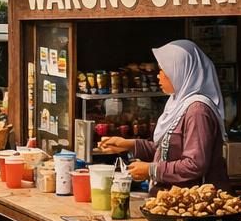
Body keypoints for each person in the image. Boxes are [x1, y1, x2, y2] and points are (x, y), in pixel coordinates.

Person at [97, 39, 230, 189]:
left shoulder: (198, 111)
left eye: (163, 71)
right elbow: (168, 150)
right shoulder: (178, 105)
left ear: (180, 72)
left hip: (192, 204)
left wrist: (152, 170)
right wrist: (128, 144)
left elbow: (195, 164)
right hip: (171, 201)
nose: (158, 76)